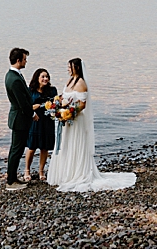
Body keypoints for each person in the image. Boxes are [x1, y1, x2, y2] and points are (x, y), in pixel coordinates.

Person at [46, 57, 136, 192]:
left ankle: (77, 173)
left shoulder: (81, 83)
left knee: (75, 145)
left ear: (76, 67)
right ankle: (65, 173)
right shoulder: (69, 81)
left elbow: (82, 105)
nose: (68, 69)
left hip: (76, 120)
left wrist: (70, 112)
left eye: (70, 67)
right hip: (66, 121)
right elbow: (63, 97)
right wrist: (58, 106)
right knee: (65, 144)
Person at [4, 47, 34, 191]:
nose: (26, 61)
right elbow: (22, 103)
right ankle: (11, 181)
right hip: (20, 119)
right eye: (24, 59)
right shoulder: (14, 79)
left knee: (16, 149)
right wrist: (33, 114)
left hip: (19, 118)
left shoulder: (13, 75)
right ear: (18, 60)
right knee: (16, 150)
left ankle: (13, 177)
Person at [23, 68, 57, 182]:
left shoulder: (52, 91)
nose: (45, 79)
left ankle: (41, 171)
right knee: (31, 147)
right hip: (34, 121)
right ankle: (27, 170)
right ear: (37, 78)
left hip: (47, 121)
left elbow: (56, 104)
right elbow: (25, 107)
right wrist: (34, 107)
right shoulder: (30, 91)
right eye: (43, 76)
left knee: (45, 147)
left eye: (47, 76)